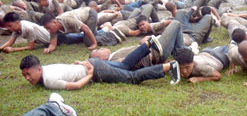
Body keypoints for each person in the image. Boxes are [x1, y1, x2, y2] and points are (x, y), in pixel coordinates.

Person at [19, 38, 180, 90]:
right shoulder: (47, 68)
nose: (27, 78)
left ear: (38, 69)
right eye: (24, 75)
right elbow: (66, 69)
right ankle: (147, 45)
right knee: (125, 66)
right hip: (91, 62)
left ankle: (169, 66)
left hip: (94, 69)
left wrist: (89, 74)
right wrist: (82, 64)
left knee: (131, 77)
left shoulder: (48, 80)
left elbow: (75, 86)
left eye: (28, 74)